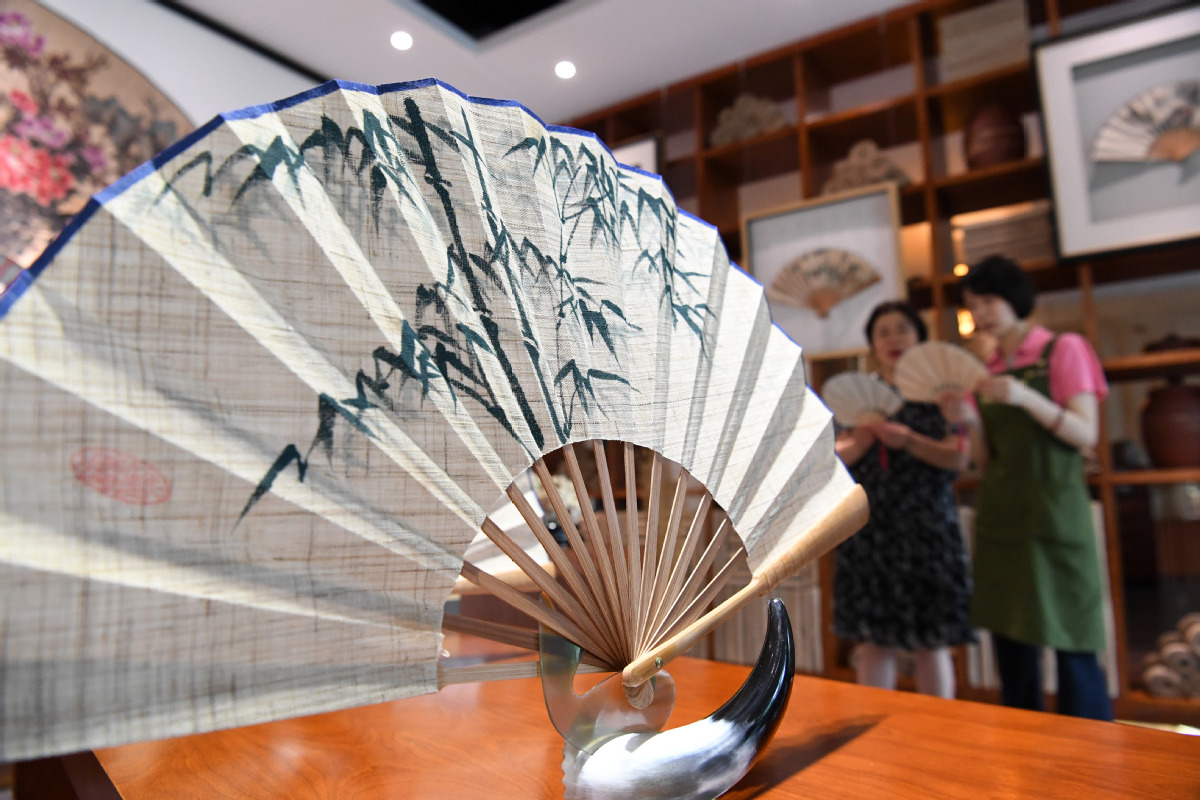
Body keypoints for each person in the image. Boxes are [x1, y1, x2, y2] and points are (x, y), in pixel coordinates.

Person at [956, 255, 1113, 721]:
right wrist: (967, 418)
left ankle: (1090, 745)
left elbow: (1086, 433)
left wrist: (1026, 398)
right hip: (1003, 515)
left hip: (1056, 511)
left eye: (989, 300)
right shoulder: (986, 369)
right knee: (1011, 637)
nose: (981, 313)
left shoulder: (1064, 349)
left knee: (1073, 633)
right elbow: (985, 461)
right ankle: (1021, 741)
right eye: (973, 305)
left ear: (1014, 298)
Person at [832, 300, 974, 699]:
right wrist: (860, 441)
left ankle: (939, 726)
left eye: (902, 329)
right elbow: (829, 459)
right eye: (883, 332)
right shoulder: (857, 397)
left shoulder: (942, 396)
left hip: (928, 525)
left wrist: (909, 440)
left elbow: (959, 458)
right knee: (875, 640)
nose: (893, 339)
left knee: (933, 640)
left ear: (919, 336)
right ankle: (879, 729)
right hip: (871, 526)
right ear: (872, 345)